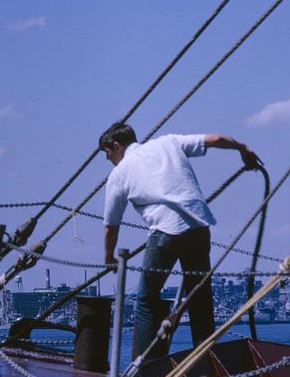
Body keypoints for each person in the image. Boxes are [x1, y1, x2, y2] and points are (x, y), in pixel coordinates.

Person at [99, 122, 262, 358]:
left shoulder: (119, 173)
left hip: (165, 233)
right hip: (198, 228)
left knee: (145, 301)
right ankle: (206, 361)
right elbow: (215, 139)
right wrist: (243, 149)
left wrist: (108, 257)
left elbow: (110, 226)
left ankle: (145, 367)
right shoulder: (168, 142)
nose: (109, 160)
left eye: (108, 154)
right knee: (200, 297)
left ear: (116, 146)